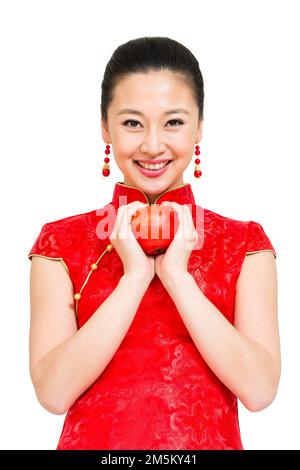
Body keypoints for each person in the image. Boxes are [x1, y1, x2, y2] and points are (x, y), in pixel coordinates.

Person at [27, 36, 281, 450]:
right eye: (132, 123)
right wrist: (135, 276)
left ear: (199, 126)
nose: (152, 144)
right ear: (105, 127)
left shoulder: (244, 243)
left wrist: (178, 277)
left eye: (174, 122)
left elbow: (260, 390)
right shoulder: (60, 243)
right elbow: (53, 394)